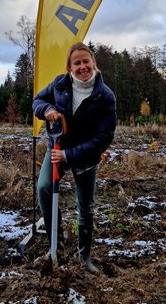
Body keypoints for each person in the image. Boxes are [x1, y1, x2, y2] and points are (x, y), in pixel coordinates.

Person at [32, 42, 117, 273]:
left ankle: (85, 257)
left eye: (86, 61)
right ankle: (56, 244)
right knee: (44, 189)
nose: (82, 67)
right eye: (77, 63)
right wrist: (46, 110)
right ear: (69, 66)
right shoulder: (60, 84)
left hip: (86, 155)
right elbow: (37, 101)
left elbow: (103, 137)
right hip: (58, 146)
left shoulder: (105, 96)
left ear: (93, 63)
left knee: (86, 207)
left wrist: (69, 155)